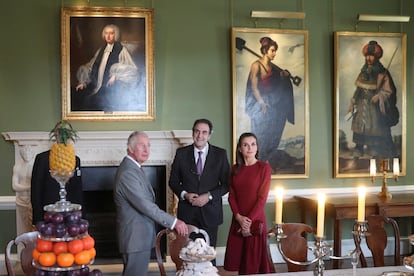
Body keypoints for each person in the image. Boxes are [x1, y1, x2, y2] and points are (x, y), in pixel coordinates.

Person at [114, 131, 188, 275]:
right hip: (135, 239)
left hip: (139, 239)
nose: (147, 150)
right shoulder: (128, 173)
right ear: (130, 148)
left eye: (148, 145)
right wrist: (174, 222)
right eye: (142, 145)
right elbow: (146, 206)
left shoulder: (134, 169)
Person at [168, 118, 230, 250]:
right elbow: (173, 181)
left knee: (208, 256)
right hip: (187, 214)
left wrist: (209, 196)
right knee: (188, 255)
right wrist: (185, 195)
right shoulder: (181, 153)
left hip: (211, 213)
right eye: (197, 131)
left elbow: (226, 184)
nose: (200, 136)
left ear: (209, 135)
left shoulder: (220, 154)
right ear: (192, 133)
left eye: (204, 132)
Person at [223, 132, 272, 275]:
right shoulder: (234, 169)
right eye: (245, 145)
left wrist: (248, 221)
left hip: (255, 221)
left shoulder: (264, 168)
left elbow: (262, 199)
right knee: (238, 262)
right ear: (239, 148)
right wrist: (239, 218)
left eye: (253, 144)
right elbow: (231, 197)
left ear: (257, 147)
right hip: (238, 220)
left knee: (253, 265)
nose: (250, 148)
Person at [245, 36, 295, 166]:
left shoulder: (275, 69)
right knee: (261, 133)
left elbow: (278, 86)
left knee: (274, 132)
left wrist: (284, 77)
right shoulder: (256, 65)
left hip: (274, 105)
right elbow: (254, 87)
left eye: (275, 50)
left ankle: (266, 162)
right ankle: (259, 162)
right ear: (265, 50)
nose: (274, 53)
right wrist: (261, 102)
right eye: (272, 50)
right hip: (261, 104)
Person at [348, 40, 399, 158]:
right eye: (367, 56)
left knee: (374, 127)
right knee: (360, 126)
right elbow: (359, 89)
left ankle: (374, 150)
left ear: (376, 57)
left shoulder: (383, 73)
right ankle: (358, 148)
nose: (368, 59)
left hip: (375, 107)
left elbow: (389, 92)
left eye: (371, 56)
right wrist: (354, 100)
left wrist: (379, 96)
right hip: (361, 105)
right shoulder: (363, 72)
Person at [72, 24, 140, 112]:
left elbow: (131, 69)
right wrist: (83, 82)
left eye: (111, 33)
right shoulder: (101, 50)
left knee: (99, 104)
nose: (108, 36)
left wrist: (115, 75)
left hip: (113, 88)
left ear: (116, 35)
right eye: (106, 33)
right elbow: (91, 66)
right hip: (96, 85)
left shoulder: (121, 50)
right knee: (83, 100)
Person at [31, 150, 83, 225]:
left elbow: (78, 191)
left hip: (70, 217)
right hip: (48, 216)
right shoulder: (42, 159)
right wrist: (38, 220)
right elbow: (36, 191)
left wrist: (81, 217)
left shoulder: (75, 159)